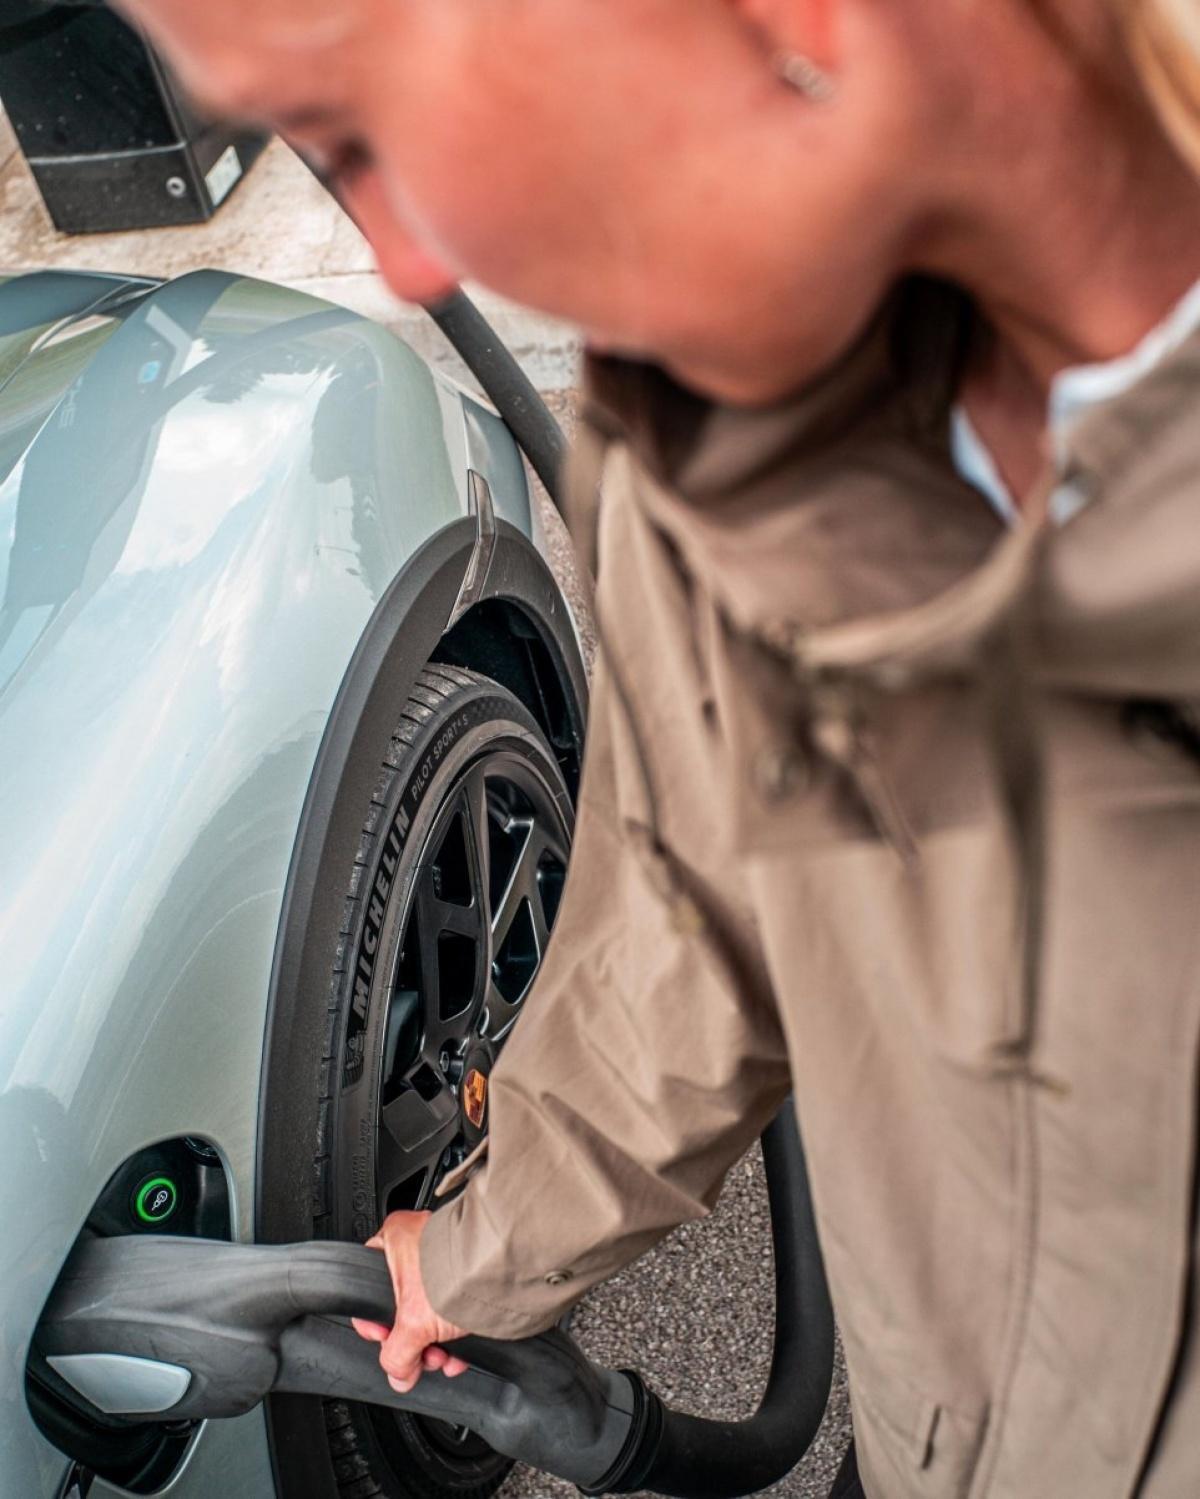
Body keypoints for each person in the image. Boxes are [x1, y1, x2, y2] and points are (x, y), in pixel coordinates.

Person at [113, 1, 1200, 1493]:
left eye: (369, 132)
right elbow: (696, 923)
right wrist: (476, 1254)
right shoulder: (722, 459)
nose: (415, 263)